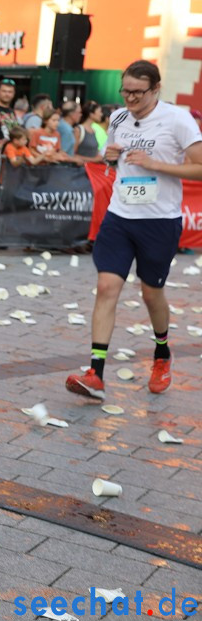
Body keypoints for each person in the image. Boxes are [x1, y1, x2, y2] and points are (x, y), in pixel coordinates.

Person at [66, 61, 202, 399]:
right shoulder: (118, 118)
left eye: (138, 93)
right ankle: (95, 373)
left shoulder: (178, 120)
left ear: (156, 89)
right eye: (125, 91)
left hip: (159, 221)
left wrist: (156, 164)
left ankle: (162, 353)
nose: (130, 98)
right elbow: (113, 162)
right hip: (120, 216)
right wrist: (108, 158)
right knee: (106, 285)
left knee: (150, 293)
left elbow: (200, 167)